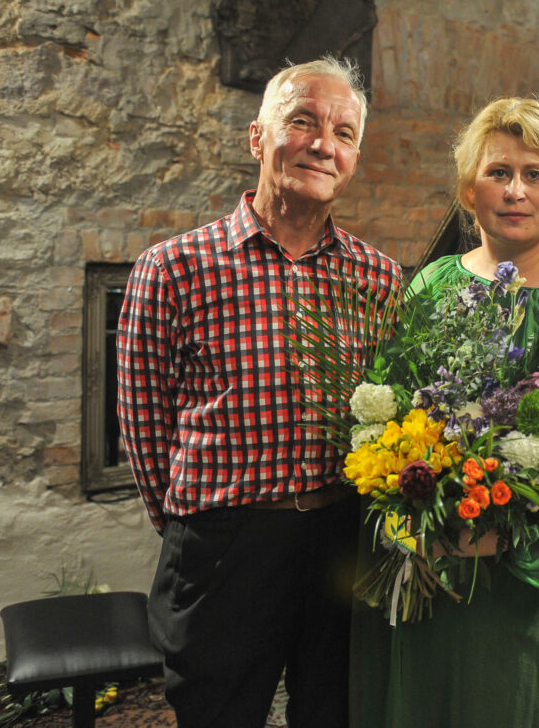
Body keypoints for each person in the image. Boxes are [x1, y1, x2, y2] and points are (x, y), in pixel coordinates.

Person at [348, 97, 539, 728]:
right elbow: (385, 419)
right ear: (469, 190)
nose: (516, 191)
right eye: (498, 173)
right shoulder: (431, 286)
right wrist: (422, 517)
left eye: (535, 174)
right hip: (435, 559)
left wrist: (515, 539)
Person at [117, 56, 401, 728]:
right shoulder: (173, 267)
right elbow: (143, 428)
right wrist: (200, 528)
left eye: (344, 133)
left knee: (334, 712)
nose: (323, 145)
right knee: (218, 713)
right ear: (257, 137)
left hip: (341, 539)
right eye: (302, 121)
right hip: (224, 547)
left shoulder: (380, 278)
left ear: (354, 156)